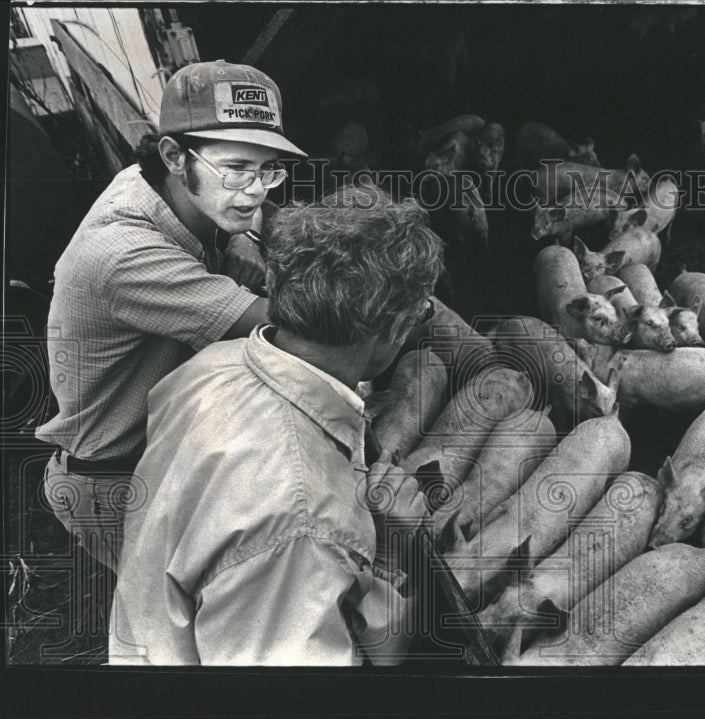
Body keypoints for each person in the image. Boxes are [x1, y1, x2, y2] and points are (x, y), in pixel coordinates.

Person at [108, 186, 444, 665]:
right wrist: (385, 557)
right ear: (390, 327)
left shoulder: (212, 366)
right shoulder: (301, 519)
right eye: (420, 315)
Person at [36, 60, 306, 571]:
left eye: (268, 169)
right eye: (237, 169)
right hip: (116, 484)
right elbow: (287, 330)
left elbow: (255, 213)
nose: (254, 191)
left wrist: (242, 234)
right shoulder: (123, 252)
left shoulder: (155, 183)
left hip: (163, 453)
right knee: (183, 635)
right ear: (174, 155)